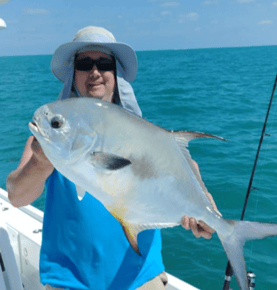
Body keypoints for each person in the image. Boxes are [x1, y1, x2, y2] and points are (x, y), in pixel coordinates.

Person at [6, 26, 219, 290]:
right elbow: (16, 196)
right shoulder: (48, 140)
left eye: (104, 63)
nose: (95, 72)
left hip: (141, 279)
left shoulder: (141, 134)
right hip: (69, 282)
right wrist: (41, 161)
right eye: (84, 63)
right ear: (73, 74)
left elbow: (185, 164)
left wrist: (204, 208)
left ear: (115, 73)